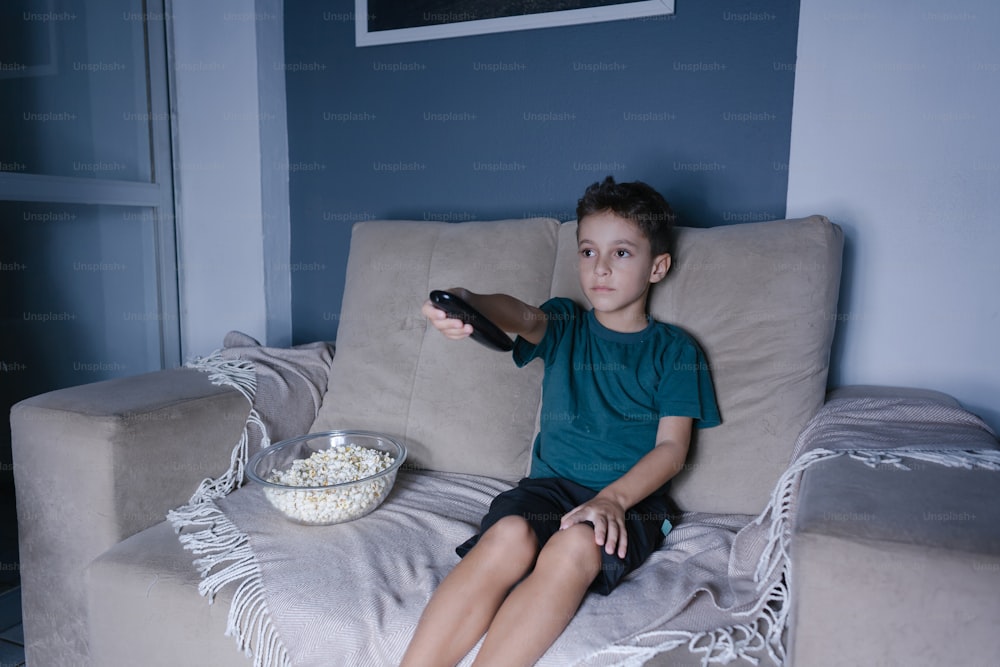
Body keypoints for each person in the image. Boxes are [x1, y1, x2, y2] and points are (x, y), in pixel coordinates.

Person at [401, 176, 721, 667]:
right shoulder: (567, 323)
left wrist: (612, 498)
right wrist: (466, 300)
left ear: (657, 267)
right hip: (547, 490)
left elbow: (672, 450)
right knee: (508, 535)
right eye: (589, 252)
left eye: (621, 254)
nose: (601, 268)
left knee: (574, 544)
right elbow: (520, 315)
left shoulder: (676, 351)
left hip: (628, 501)